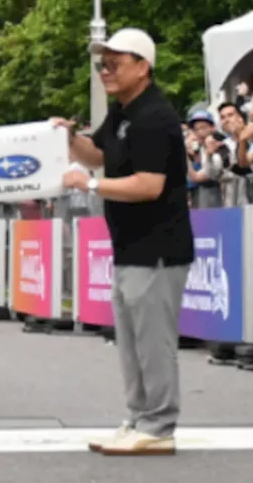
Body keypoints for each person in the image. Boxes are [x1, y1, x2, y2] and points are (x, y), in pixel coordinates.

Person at [52, 27, 194, 456]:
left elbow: (150, 185)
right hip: (131, 247)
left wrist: (91, 186)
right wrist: (68, 139)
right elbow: (96, 152)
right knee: (132, 342)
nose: (106, 69)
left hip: (158, 248)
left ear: (143, 66)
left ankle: (159, 424)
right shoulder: (124, 113)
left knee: (153, 342)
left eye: (115, 61)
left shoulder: (155, 117)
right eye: (102, 62)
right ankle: (139, 418)